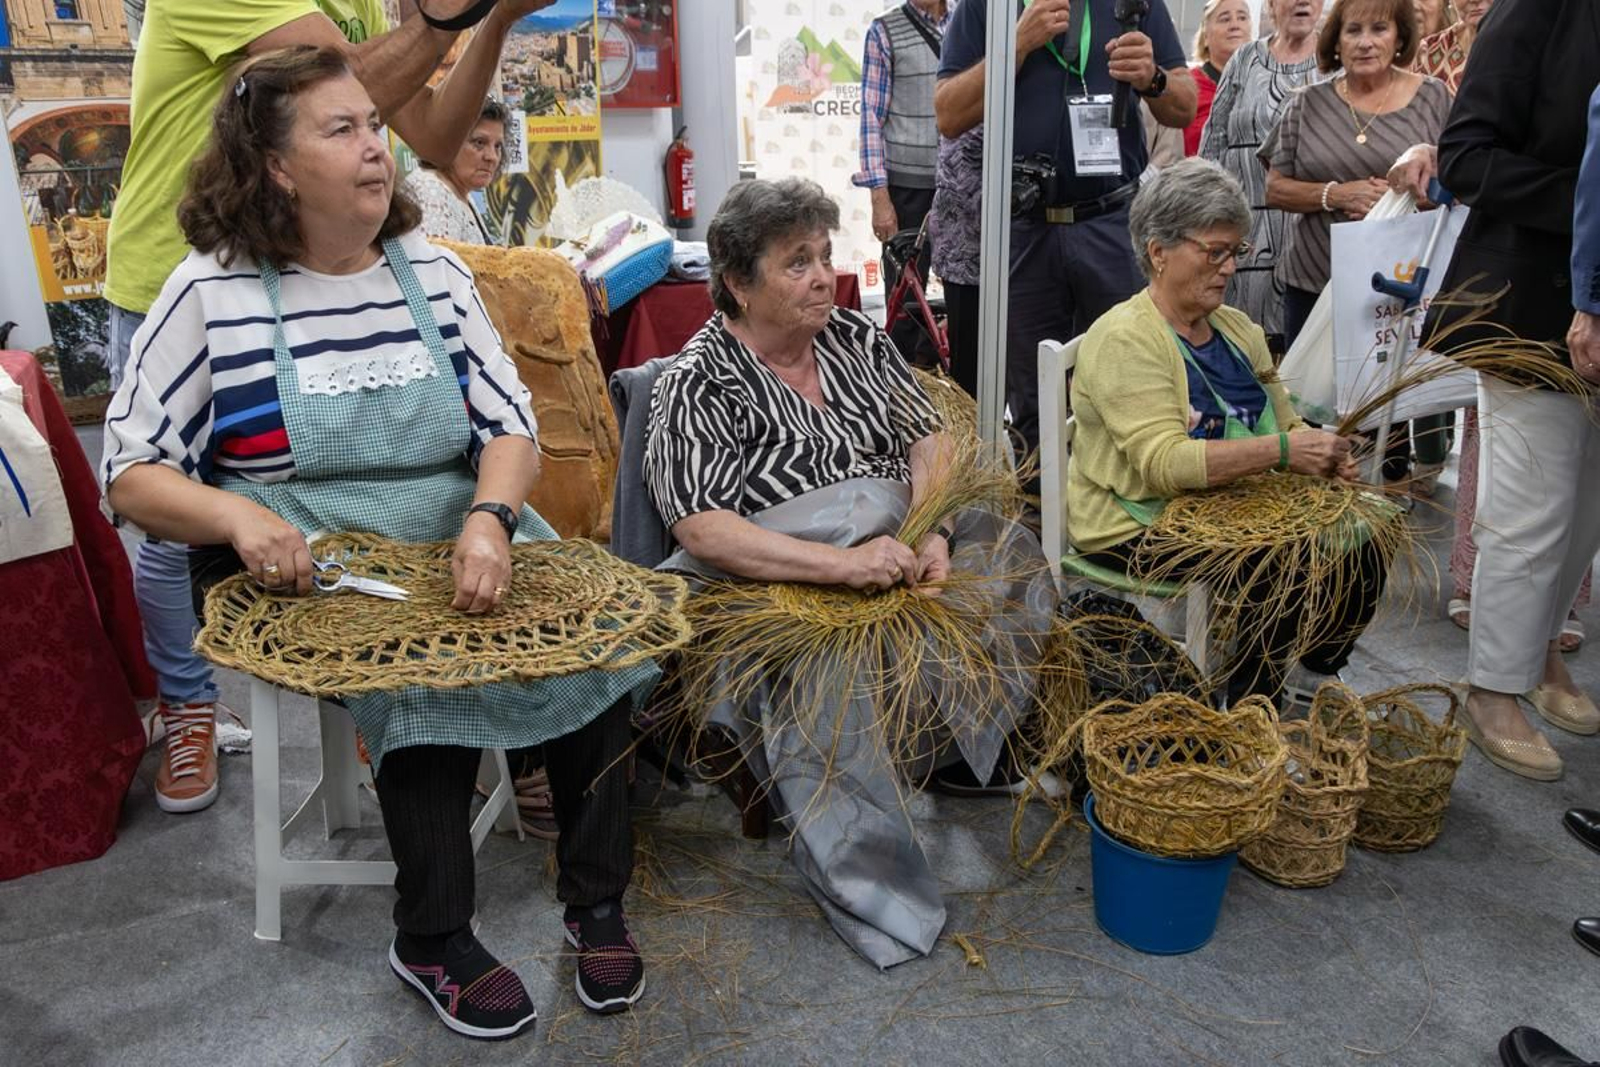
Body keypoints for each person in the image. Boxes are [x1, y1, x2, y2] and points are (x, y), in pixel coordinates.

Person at [101, 48, 653, 1035]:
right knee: (424, 670)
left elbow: (508, 428)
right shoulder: (211, 292)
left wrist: (488, 518)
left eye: (373, 125)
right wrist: (235, 514)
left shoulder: (430, 272)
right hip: (297, 536)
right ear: (275, 165)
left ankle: (595, 898)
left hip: (453, 512)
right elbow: (131, 471)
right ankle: (434, 932)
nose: (376, 147)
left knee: (597, 641)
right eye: (342, 129)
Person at [103, 0, 554, 816]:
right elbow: (324, 108)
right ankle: (190, 709)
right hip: (204, 259)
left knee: (375, 466)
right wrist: (445, 16)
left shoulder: (360, 8)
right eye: (359, 131)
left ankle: (389, 715)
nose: (370, 145)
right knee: (182, 521)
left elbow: (430, 135)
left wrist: (491, 23)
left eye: (369, 131)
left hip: (330, 262)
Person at [642, 178, 1057, 968]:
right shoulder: (697, 380)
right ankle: (876, 887)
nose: (823, 277)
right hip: (779, 583)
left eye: (826, 256)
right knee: (831, 664)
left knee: (1009, 550)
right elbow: (700, 525)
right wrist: (842, 563)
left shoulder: (856, 341)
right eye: (797, 262)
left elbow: (929, 437)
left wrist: (927, 529)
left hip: (892, 550)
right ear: (736, 280)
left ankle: (964, 747)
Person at [1070, 158, 1386, 704]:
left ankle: (1315, 666)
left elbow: (1282, 417)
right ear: (1158, 251)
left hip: (1236, 500)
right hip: (1133, 517)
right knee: (1276, 558)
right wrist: (1286, 451)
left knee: (1367, 530)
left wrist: (1324, 454)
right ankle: (1248, 706)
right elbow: (1165, 465)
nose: (1228, 268)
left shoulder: (1236, 328)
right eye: (1213, 251)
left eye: (1235, 252)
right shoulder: (1125, 339)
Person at [1422, 0, 1600, 781]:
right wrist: (1592, 203)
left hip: (1588, 289)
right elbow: (1465, 158)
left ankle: (1541, 660)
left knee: (1587, 512)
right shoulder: (1535, 13)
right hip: (1529, 300)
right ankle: (1493, 686)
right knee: (1530, 511)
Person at [935, 0, 1196, 457]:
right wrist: (1014, 45)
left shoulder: (1132, 3)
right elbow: (949, 115)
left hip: (1112, 224)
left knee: (1130, 376)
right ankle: (1041, 509)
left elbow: (1184, 105)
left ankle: (1124, 507)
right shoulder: (990, 7)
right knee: (1033, 394)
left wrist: (1152, 78)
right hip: (1023, 229)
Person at [1262, 0, 1449, 486]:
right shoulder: (1306, 102)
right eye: (1353, 30)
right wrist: (1333, 194)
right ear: (1335, 41)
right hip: (1313, 278)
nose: (1366, 41)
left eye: (1379, 29)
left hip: (1396, 289)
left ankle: (1389, 510)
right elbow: (1274, 188)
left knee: (1392, 410)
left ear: (1400, 38)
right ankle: (1316, 508)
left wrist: (1403, 198)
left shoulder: (1433, 98)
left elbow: (1454, 185)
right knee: (1310, 408)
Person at [1198, 0, 1327, 354]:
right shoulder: (1243, 60)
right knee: (1245, 351)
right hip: (1245, 238)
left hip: (1312, 240)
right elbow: (1212, 149)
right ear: (1271, 5)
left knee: (1306, 360)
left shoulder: (1336, 62)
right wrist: (1213, 232)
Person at [856, 0, 950, 368]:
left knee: (965, 291)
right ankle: (900, 386)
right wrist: (879, 196)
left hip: (965, 183)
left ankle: (946, 379)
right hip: (907, 185)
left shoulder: (971, 21)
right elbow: (871, 118)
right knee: (905, 294)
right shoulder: (884, 32)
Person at [404, 97, 506, 245]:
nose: (492, 157)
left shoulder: (458, 190)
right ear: (447, 140)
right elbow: (436, 266)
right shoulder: (432, 193)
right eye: (479, 143)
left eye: (497, 146)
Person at [929, 125, 984, 396]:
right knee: (969, 374)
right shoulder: (959, 102)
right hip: (965, 253)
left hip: (1020, 252)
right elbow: (960, 172)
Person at [1184, 0, 1253, 157]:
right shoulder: (1188, 86)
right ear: (1206, 36)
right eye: (1225, 19)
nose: (1235, 25)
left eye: (1242, 18)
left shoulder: (1265, 83)